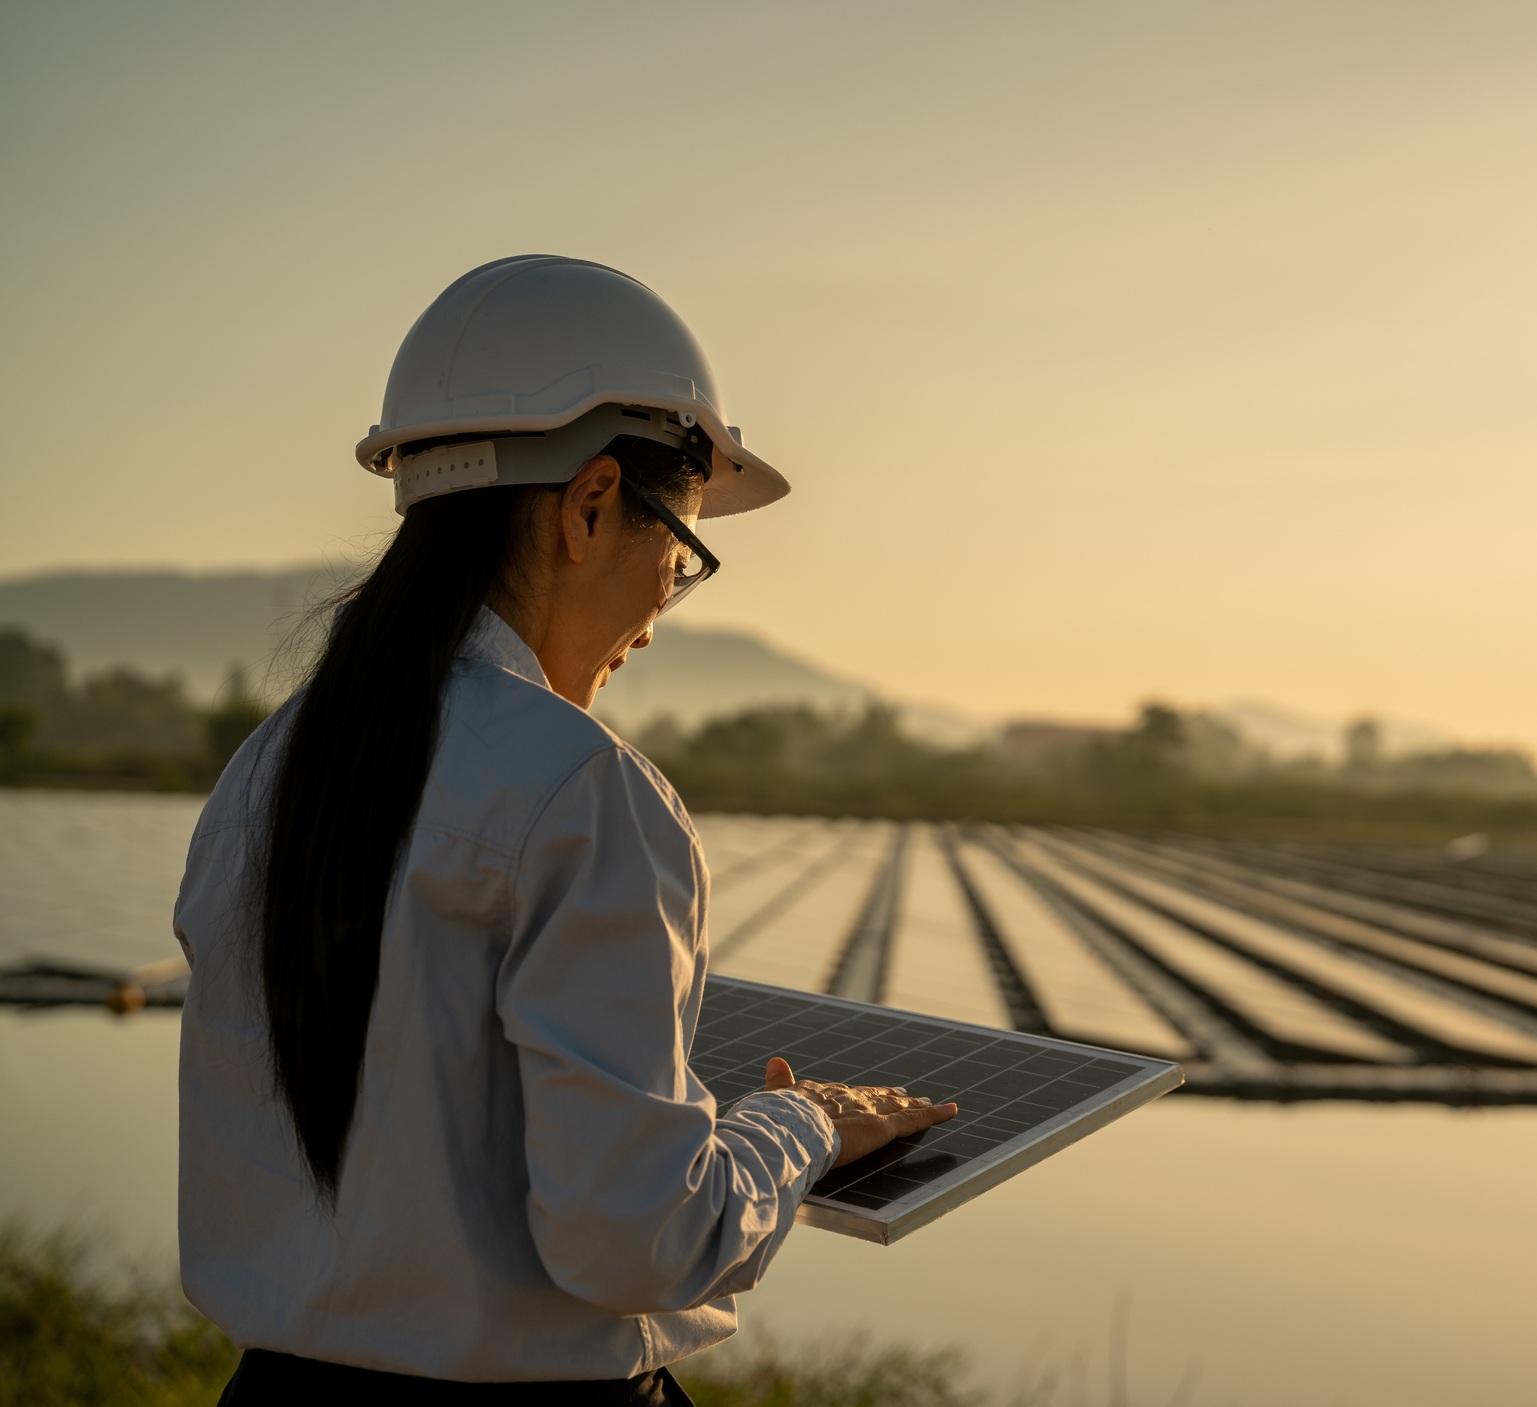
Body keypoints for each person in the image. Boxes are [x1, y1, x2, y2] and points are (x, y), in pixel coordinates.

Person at [175, 257, 957, 1404]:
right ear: (593, 506)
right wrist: (803, 1123)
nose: (661, 608)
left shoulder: (268, 766)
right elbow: (638, 1241)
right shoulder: (584, 790)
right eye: (679, 554)